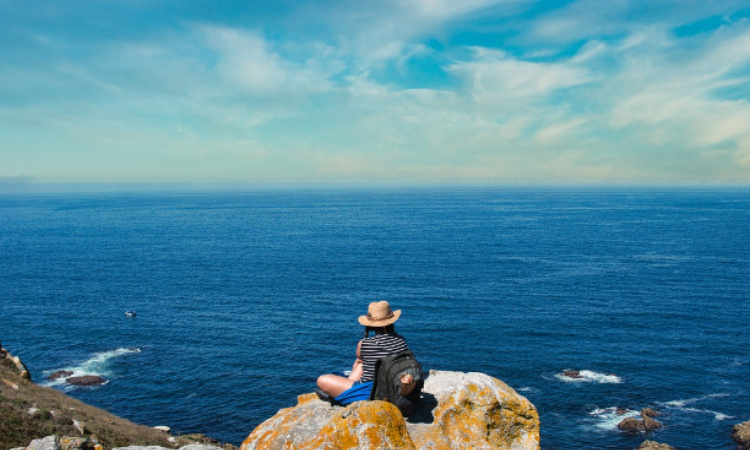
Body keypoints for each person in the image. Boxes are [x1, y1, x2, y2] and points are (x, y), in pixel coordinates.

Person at [316, 300, 412, 404]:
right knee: (362, 364)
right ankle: (348, 385)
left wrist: (359, 361)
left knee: (322, 380)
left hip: (372, 391)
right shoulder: (401, 340)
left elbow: (360, 357)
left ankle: (345, 392)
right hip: (393, 386)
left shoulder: (364, 343)